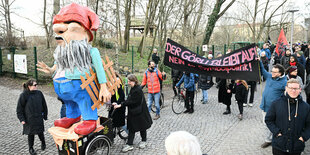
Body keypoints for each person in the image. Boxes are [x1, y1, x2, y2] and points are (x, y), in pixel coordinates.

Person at [36, 3, 111, 136]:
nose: (59, 31)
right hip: (63, 87)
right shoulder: (62, 51)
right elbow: (57, 64)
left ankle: (90, 119)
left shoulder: (91, 51)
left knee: (84, 100)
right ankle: (73, 116)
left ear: (85, 33)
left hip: (83, 84)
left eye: (69, 26)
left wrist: (104, 87)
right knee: (70, 103)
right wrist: (51, 69)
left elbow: (99, 68)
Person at [265, 79, 310, 155]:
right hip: (279, 145)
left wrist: (303, 138)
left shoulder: (306, 107)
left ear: (300, 90)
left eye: (296, 88)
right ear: (286, 88)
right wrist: (277, 132)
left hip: (296, 147)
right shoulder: (276, 104)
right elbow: (269, 120)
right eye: (291, 88)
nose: (293, 91)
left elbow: (309, 125)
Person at [113, 74, 152, 153]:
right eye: (128, 81)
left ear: (134, 81)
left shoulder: (137, 90)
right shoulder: (134, 88)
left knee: (142, 127)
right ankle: (130, 144)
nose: (128, 83)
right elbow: (130, 100)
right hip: (135, 112)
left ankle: (143, 141)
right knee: (132, 128)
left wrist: (120, 104)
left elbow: (132, 101)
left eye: (130, 81)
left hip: (140, 112)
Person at [259, 60, 287, 148]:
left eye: (275, 72)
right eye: (272, 71)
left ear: (280, 73)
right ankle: (272, 137)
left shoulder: (284, 82)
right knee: (265, 123)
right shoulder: (269, 76)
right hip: (264, 105)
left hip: (274, 108)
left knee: (271, 124)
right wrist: (259, 61)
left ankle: (269, 139)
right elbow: (263, 70)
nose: (272, 73)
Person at [16, 80, 48, 155]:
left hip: (38, 117)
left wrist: (45, 115)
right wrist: (22, 119)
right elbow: (19, 109)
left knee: (40, 132)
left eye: (36, 84)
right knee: (31, 134)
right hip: (29, 118)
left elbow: (44, 105)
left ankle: (43, 143)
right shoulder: (24, 95)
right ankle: (31, 148)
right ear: (29, 86)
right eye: (35, 85)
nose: (37, 86)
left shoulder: (39, 93)